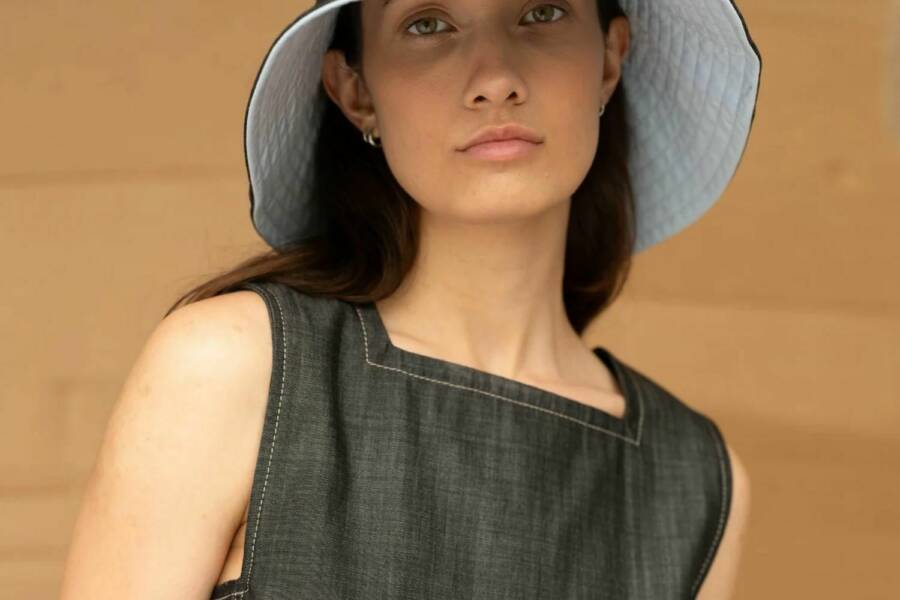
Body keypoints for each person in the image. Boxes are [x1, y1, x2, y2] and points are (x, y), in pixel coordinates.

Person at [60, 0, 762, 598]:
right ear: (355, 89)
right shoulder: (235, 368)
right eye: (428, 23)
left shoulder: (693, 480)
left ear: (608, 59)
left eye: (541, 11)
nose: (495, 80)